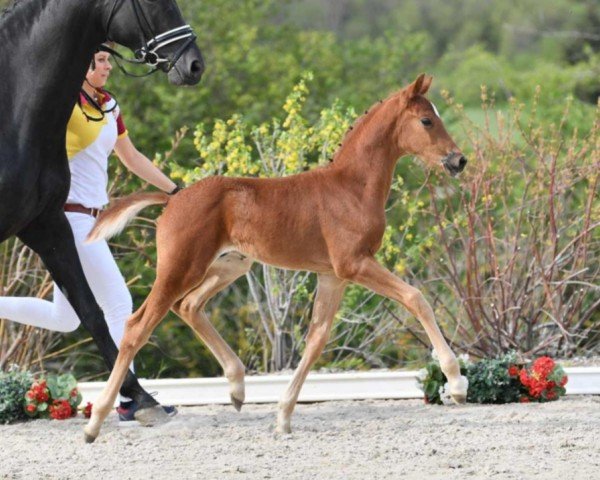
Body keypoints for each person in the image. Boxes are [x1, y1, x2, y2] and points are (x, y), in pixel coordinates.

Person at [0, 46, 179, 421]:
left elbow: (131, 158)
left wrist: (175, 192)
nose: (108, 66)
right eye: (100, 61)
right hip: (69, 218)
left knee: (65, 319)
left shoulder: (109, 106)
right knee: (119, 303)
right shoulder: (64, 105)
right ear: (81, 67)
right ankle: (129, 398)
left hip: (98, 219)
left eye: (107, 61)